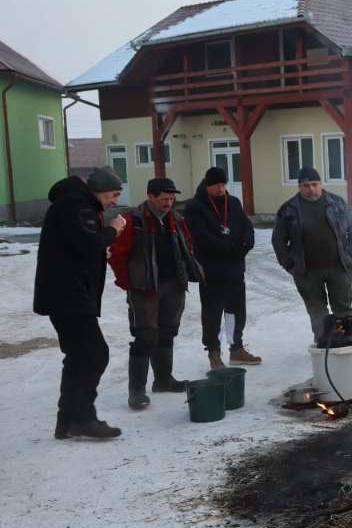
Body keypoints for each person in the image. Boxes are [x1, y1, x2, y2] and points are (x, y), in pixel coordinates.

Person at [34, 168, 127, 439]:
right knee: (95, 353)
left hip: (65, 294)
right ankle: (83, 418)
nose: (114, 201)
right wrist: (113, 231)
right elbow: (88, 244)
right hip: (69, 295)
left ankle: (67, 421)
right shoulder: (76, 206)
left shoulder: (74, 204)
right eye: (113, 194)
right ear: (99, 190)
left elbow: (78, 247)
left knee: (77, 357)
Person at [109, 178, 202, 409]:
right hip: (144, 287)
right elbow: (117, 254)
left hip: (173, 284)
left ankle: (163, 380)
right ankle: (136, 391)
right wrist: (128, 282)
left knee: (168, 331)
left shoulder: (176, 219)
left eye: (171, 199)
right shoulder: (133, 220)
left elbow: (187, 245)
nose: (168, 203)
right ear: (150, 196)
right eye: (164, 199)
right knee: (145, 335)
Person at [272, 167, 352, 347]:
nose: (311, 189)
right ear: (299, 187)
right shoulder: (289, 209)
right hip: (307, 270)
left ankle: (348, 344)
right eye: (306, 185)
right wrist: (289, 264)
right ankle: (324, 343)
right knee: (317, 310)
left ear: (321, 184)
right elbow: (278, 241)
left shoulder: (336, 203)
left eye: (314, 184)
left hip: (338, 266)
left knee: (342, 308)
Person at [184, 166, 259, 370]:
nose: (221, 188)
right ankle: (214, 352)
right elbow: (201, 237)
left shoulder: (233, 203)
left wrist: (245, 245)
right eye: (216, 184)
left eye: (223, 184)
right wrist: (230, 248)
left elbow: (247, 228)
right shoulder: (196, 207)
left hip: (235, 270)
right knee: (212, 314)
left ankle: (236, 348)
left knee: (235, 312)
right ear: (207, 185)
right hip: (211, 271)